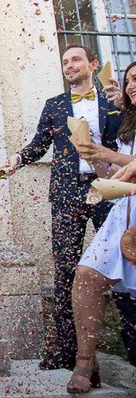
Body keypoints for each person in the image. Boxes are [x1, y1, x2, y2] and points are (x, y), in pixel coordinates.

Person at [0, 44, 136, 371]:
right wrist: (16, 161)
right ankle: (66, 354)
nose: (69, 65)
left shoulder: (115, 106)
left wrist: (123, 103)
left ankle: (131, 348)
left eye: (75, 59)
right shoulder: (54, 105)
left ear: (93, 64)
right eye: (65, 61)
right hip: (66, 192)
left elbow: (128, 144)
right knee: (65, 269)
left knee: (122, 264)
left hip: (111, 190)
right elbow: (38, 145)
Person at [65, 61, 136, 393]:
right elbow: (113, 178)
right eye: (128, 80)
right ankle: (85, 361)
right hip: (123, 213)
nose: (132, 85)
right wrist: (95, 157)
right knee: (86, 276)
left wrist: (113, 156)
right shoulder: (127, 125)